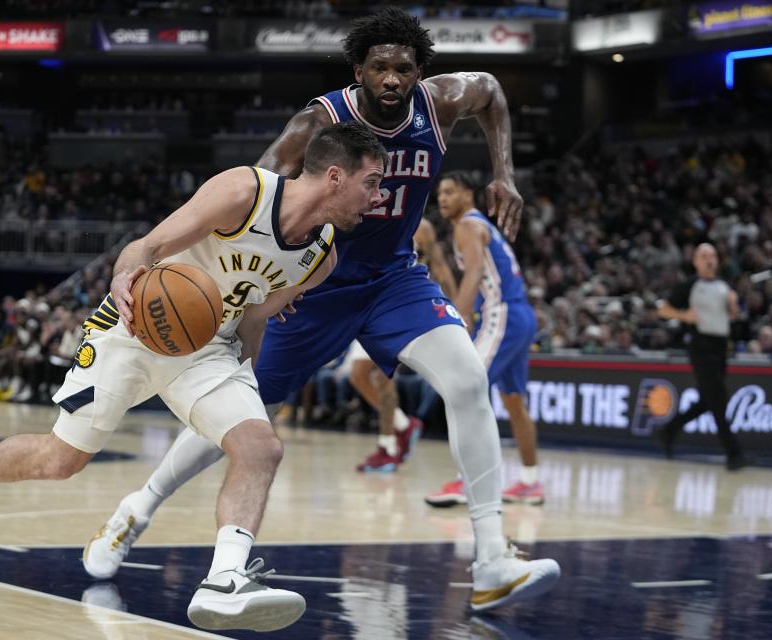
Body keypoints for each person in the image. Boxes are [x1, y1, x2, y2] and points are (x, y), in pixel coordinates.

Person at [92, 8, 559, 612]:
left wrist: (505, 174)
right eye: (381, 67)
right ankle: (139, 507)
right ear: (359, 69)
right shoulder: (318, 121)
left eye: (405, 68)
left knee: (468, 379)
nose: (393, 79)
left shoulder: (439, 104)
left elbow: (493, 93)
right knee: (243, 418)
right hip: (312, 283)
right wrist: (252, 284)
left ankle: (492, 556)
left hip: (393, 279)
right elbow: (254, 197)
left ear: (420, 72)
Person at [0, 121, 387, 632]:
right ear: (335, 176)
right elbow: (146, 247)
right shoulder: (244, 192)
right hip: (137, 328)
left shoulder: (322, 256)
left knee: (261, 447)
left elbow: (255, 316)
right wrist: (122, 277)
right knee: (61, 461)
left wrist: (246, 380)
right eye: (373, 181)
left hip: (209, 351)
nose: (378, 198)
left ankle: (225, 580)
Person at [424, 172, 543, 507]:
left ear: (467, 194)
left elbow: (474, 273)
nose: (442, 198)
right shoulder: (479, 226)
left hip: (501, 314)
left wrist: (456, 318)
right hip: (519, 316)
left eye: (450, 192)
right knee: (514, 403)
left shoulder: (467, 226)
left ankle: (468, 483)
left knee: (465, 389)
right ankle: (531, 482)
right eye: (440, 193)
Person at [353, 217, 456, 472]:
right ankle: (403, 425)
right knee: (358, 375)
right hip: (371, 303)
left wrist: (455, 310)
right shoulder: (373, 218)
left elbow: (440, 267)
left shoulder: (423, 227)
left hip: (403, 305)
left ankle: (387, 447)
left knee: (383, 378)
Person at [656, 242, 748, 471]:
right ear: (696, 261)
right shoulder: (691, 285)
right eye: (704, 256)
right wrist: (684, 316)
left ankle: (669, 430)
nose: (709, 260)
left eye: (713, 256)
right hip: (701, 346)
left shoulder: (724, 287)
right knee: (718, 400)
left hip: (720, 347)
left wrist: (734, 309)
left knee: (709, 401)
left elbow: (733, 318)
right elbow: (663, 309)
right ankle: (733, 453)